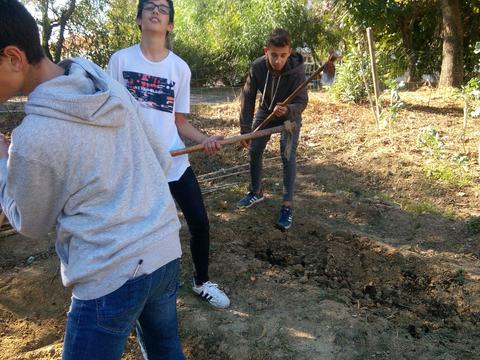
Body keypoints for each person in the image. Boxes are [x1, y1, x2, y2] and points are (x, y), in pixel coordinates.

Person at [0, 1, 185, 359]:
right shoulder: (102, 82)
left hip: (110, 272)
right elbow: (160, 158)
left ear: (12, 57)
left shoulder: (33, 136)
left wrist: (4, 160)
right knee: (165, 349)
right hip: (164, 246)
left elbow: (30, 222)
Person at [107, 0, 230, 309]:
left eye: (163, 8)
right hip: (136, 166)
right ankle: (129, 286)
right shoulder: (120, 62)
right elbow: (110, 114)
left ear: (170, 25)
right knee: (138, 230)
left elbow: (179, 121)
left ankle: (202, 282)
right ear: (139, 18)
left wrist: (205, 140)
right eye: (149, 6)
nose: (156, 10)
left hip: (174, 162)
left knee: (199, 222)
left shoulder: (179, 68)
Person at [237, 28, 308, 231]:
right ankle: (256, 191)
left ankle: (287, 206)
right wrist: (245, 130)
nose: (278, 60)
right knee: (254, 150)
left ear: (290, 52)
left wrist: (288, 109)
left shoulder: (297, 70)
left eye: (283, 55)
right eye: (274, 55)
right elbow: (248, 97)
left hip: (290, 117)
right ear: (266, 51)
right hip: (266, 110)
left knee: (287, 156)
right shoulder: (257, 67)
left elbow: (302, 102)